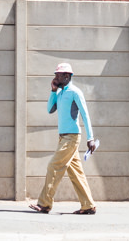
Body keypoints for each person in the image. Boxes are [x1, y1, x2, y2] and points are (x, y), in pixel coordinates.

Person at [28, 62, 97, 215]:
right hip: (63, 138)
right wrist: (53, 90)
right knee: (76, 172)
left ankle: (45, 203)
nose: (55, 77)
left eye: (58, 75)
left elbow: (85, 115)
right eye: (55, 74)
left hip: (71, 138)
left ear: (67, 76)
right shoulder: (59, 93)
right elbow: (49, 109)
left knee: (54, 166)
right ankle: (88, 205)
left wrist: (90, 137)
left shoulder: (75, 92)